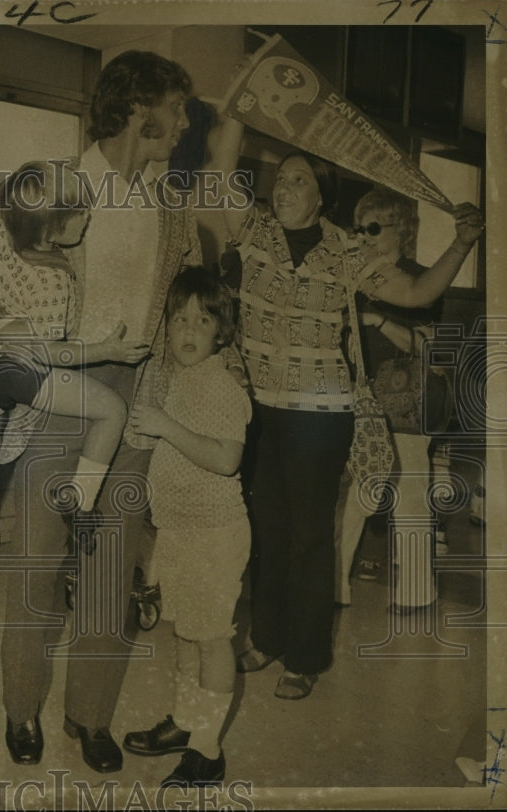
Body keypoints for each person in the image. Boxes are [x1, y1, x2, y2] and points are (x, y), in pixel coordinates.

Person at [0, 50, 200, 772]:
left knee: (110, 572)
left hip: (133, 403)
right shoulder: (60, 183)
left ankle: (90, 716)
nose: (186, 122)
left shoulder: (168, 202)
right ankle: (22, 711)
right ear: (139, 110)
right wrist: (3, 331)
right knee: (36, 565)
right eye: (178, 108)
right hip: (57, 395)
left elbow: (183, 307)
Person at [211, 110, 484, 700]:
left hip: (320, 415)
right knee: (268, 528)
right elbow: (220, 172)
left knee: (310, 536)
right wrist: (236, 109)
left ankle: (304, 656)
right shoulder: (251, 229)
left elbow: (416, 292)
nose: (285, 188)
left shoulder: (346, 250)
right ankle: (267, 636)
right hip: (259, 410)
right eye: (280, 180)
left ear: (322, 197)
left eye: (299, 181)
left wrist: (462, 244)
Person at [122, 266, 251, 787]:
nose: (190, 331)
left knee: (213, 639)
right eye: (180, 320)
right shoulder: (182, 380)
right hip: (181, 531)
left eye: (203, 320)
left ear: (222, 330)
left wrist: (164, 427)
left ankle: (208, 749)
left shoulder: (220, 385)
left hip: (215, 535)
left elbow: (225, 460)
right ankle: (183, 721)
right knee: (186, 634)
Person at [0, 160, 151, 526]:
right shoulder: (51, 283)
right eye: (78, 211)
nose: (88, 216)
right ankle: (80, 501)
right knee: (113, 409)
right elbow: (49, 352)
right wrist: (107, 350)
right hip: (22, 370)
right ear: (52, 226)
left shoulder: (8, 239)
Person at [334, 187, 448, 611]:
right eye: (359, 227)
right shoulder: (355, 280)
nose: (364, 236)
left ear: (403, 232)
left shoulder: (421, 280)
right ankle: (335, 586)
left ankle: (417, 595)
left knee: (409, 494)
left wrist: (378, 320)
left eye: (375, 228)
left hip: (404, 406)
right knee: (353, 498)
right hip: (359, 400)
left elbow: (432, 354)